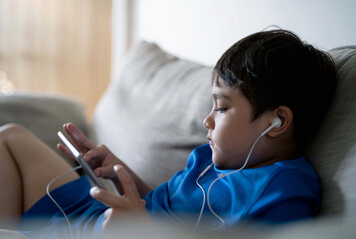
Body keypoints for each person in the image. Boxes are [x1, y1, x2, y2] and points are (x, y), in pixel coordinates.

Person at [0, 29, 336, 237]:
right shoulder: (207, 157)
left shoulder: (284, 190)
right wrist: (119, 171)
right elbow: (161, 201)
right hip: (102, 217)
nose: (207, 120)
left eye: (221, 107)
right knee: (10, 136)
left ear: (276, 122)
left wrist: (142, 232)